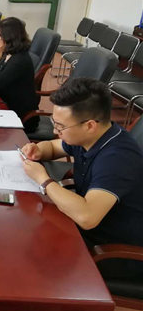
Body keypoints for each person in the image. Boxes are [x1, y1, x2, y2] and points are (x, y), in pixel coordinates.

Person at [21, 78, 143, 278]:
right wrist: (37, 150)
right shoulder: (90, 137)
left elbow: (87, 217)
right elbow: (52, 147)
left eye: (60, 126)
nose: (55, 131)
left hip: (114, 250)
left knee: (31, 264)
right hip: (87, 229)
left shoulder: (117, 158)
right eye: (54, 123)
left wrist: (44, 180)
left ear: (90, 125)